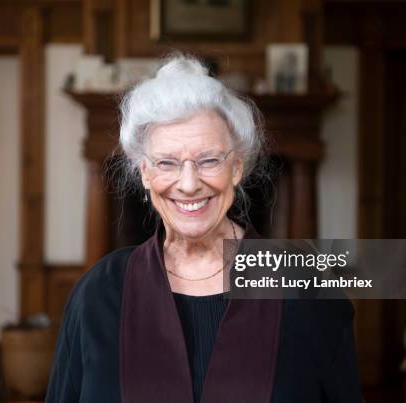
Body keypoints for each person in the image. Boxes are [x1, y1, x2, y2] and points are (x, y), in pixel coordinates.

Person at [46, 54, 362, 403]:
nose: (189, 183)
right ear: (144, 173)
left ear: (237, 168)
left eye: (209, 160)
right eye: (166, 163)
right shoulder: (98, 294)